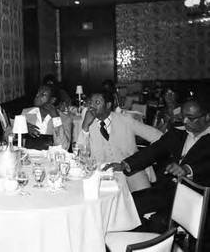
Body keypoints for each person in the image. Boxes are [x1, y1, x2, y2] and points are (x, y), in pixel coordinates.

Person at [104, 96, 210, 232]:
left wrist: (187, 169)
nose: (185, 121)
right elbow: (155, 150)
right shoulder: (179, 131)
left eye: (190, 118)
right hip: (168, 190)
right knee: (126, 202)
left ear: (207, 117)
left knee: (158, 222)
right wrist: (124, 164)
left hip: (197, 197)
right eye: (183, 116)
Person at [77, 89, 163, 192]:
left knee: (145, 200)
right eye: (90, 102)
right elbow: (79, 154)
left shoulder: (125, 120)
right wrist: (85, 127)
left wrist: (144, 158)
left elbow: (158, 136)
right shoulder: (87, 123)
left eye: (97, 102)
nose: (92, 106)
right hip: (102, 173)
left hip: (131, 169)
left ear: (108, 105)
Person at [22, 84, 72, 150]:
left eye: (43, 93)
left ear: (52, 100)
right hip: (29, 158)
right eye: (38, 92)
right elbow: (8, 137)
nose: (37, 95)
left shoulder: (65, 119)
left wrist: (56, 119)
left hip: (50, 158)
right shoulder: (26, 113)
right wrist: (24, 128)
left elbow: (64, 147)